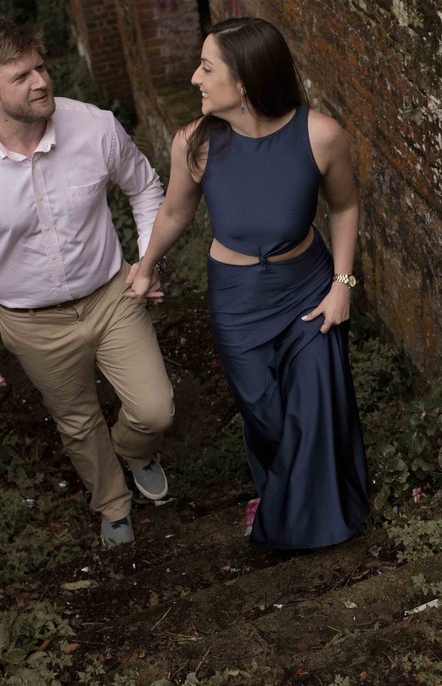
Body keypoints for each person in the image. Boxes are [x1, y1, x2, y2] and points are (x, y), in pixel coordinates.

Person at [0, 14, 174, 547]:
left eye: (41, 67)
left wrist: (147, 261)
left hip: (111, 296)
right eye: (21, 77)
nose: (41, 81)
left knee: (154, 410)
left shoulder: (95, 126)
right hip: (32, 324)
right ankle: (111, 503)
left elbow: (145, 186)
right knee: (78, 422)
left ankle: (134, 450)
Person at [128, 17, 369, 550]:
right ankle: (281, 493)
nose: (194, 78)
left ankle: (306, 524)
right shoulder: (195, 143)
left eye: (207, 67)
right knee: (267, 417)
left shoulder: (321, 134)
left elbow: (346, 205)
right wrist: (144, 267)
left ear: (245, 82)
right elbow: (173, 213)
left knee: (313, 409)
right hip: (238, 304)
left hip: (307, 290)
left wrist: (342, 283)